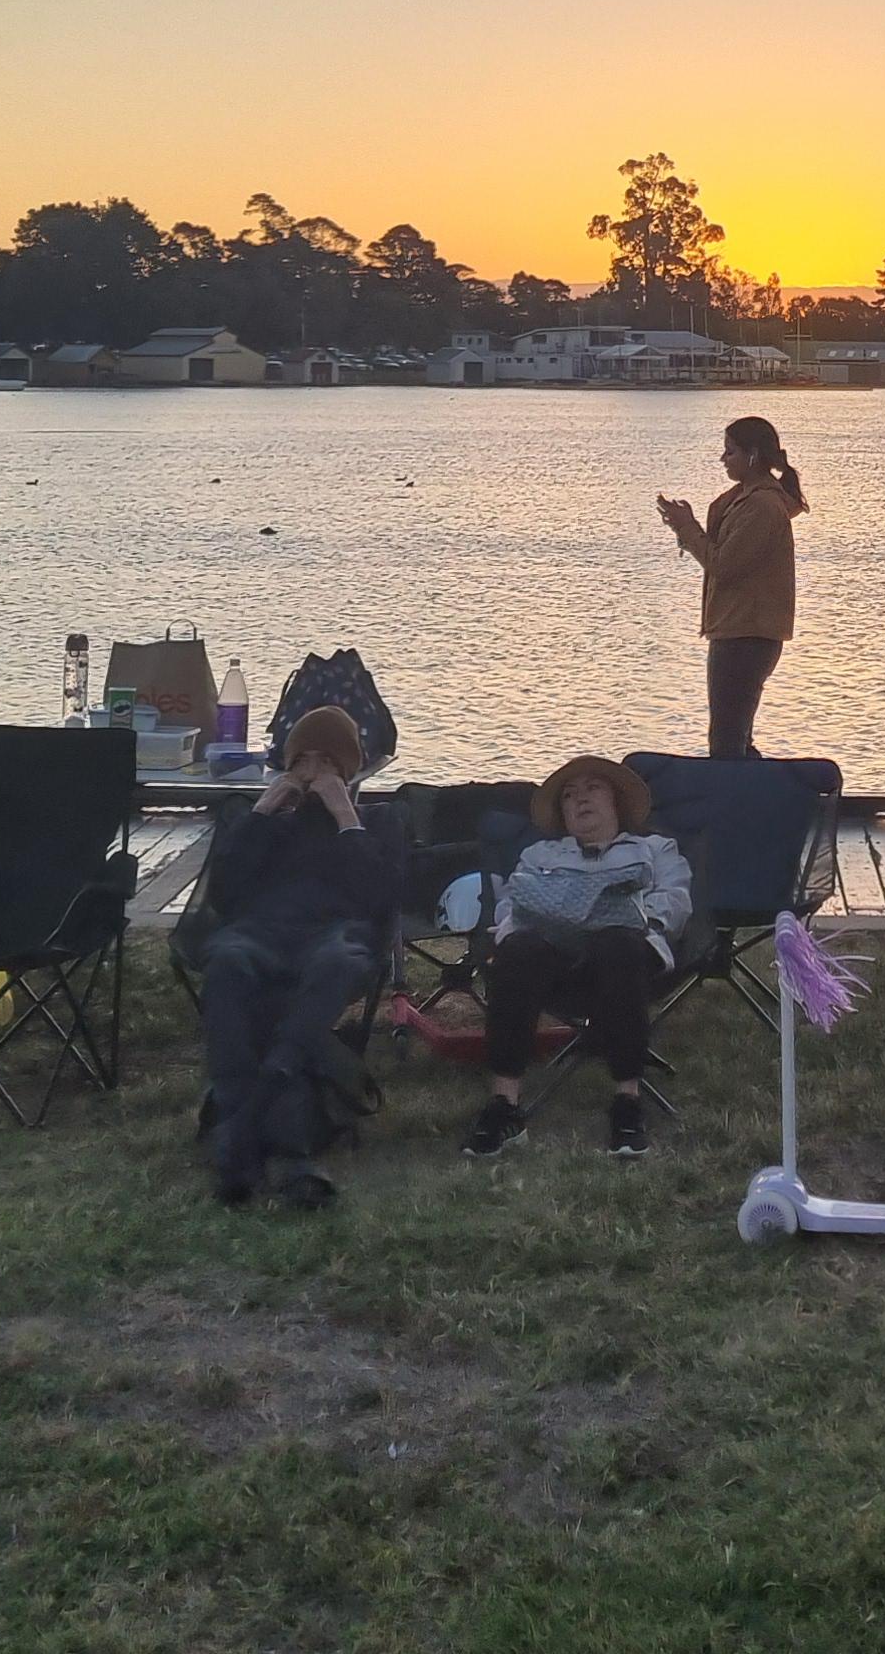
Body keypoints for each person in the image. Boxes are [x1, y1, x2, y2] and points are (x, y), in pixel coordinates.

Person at [193, 706, 404, 1209]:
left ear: (348, 770)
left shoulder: (375, 821)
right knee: (225, 960)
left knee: (339, 963)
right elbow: (222, 893)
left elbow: (382, 899)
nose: (311, 772)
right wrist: (263, 811)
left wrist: (345, 817)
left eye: (326, 761)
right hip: (258, 930)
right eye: (301, 761)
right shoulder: (267, 823)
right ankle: (283, 1147)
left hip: (333, 932)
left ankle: (246, 1118)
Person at [461, 754, 693, 1162]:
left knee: (617, 944)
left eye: (593, 789)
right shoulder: (540, 857)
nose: (580, 800)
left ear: (616, 802)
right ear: (562, 814)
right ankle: (505, 1105)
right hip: (554, 961)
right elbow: (512, 907)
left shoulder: (654, 850)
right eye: (569, 795)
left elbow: (676, 901)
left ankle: (627, 1102)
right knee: (516, 950)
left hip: (627, 956)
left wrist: (630, 916)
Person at [660, 415, 804, 759]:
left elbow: (723, 566)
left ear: (752, 455)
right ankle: (749, 795)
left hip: (747, 635)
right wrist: (687, 527)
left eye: (730, 452)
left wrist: (688, 529)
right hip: (737, 630)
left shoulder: (763, 506)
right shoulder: (744, 499)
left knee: (726, 740)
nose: (723, 459)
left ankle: (736, 802)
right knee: (734, 736)